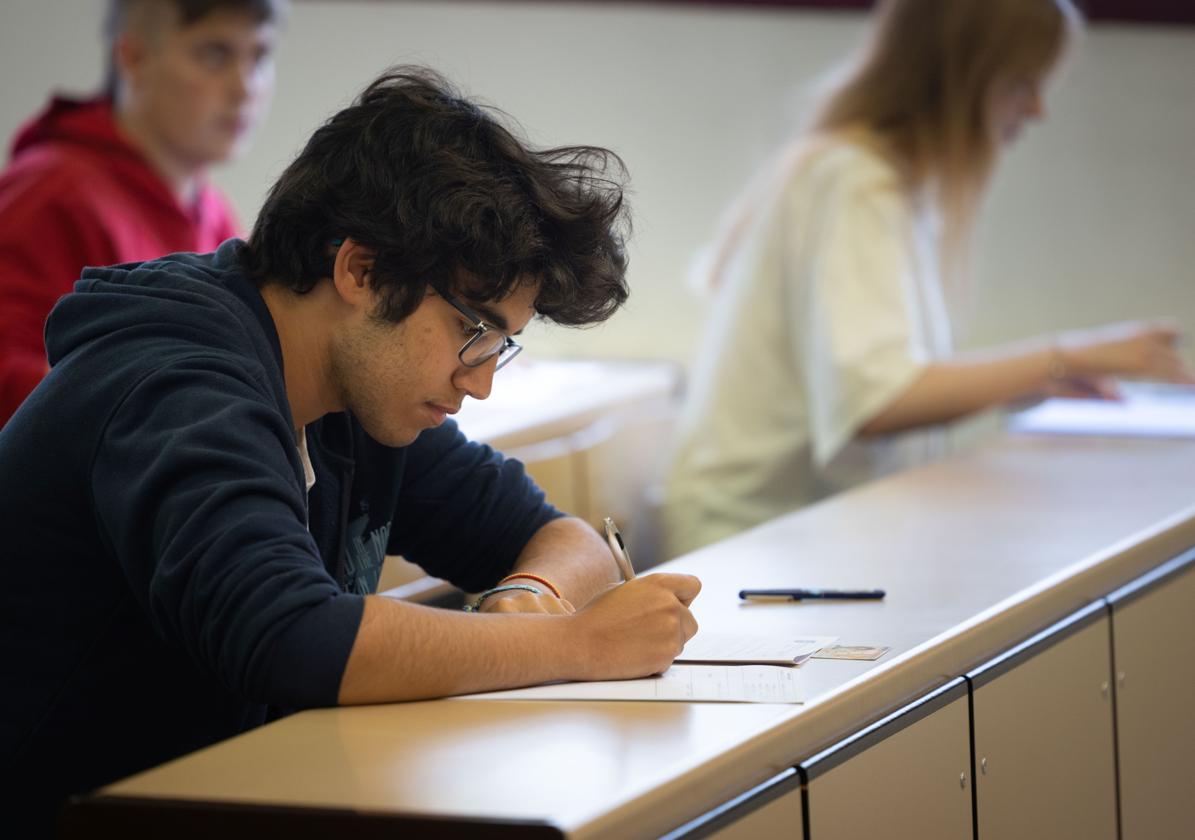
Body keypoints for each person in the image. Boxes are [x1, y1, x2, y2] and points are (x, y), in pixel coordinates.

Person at [0, 67, 701, 836]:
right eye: (475, 334)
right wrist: (570, 643)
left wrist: (529, 598)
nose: (479, 384)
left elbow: (559, 535)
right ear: (361, 270)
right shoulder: (177, 383)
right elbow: (290, 639)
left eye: (500, 349)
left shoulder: (357, 394)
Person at [663, 0, 1194, 558]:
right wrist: (1066, 356)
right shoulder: (853, 183)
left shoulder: (886, 181)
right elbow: (876, 403)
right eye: (1022, 83)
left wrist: (1029, 382)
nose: (1037, 110)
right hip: (755, 541)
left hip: (810, 526)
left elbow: (883, 383)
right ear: (960, 78)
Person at [0, 0, 282, 426]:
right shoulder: (50, 191)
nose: (246, 87)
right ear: (133, 58)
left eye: (260, 56)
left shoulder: (216, 215)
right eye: (216, 54)